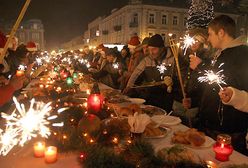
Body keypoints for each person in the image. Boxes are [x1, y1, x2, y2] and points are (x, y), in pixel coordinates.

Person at [197, 15, 248, 155]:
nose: (208, 38)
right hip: (215, 124)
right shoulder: (223, 54)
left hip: (227, 130)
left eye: (210, 34)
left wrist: (200, 66)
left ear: (221, 32)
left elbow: (230, 85)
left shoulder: (241, 55)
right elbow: (214, 83)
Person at [124, 34, 174, 112]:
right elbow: (136, 74)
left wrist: (172, 81)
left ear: (162, 48)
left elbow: (181, 76)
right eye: (149, 49)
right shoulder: (147, 60)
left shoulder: (173, 59)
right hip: (152, 96)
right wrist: (129, 86)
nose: (151, 52)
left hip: (167, 97)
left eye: (154, 49)